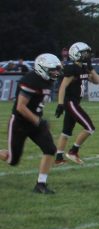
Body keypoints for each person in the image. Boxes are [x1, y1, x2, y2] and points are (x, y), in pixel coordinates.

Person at [0, 54, 62, 194]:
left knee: (50, 149)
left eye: (57, 69)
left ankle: (40, 185)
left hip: (36, 123)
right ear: (42, 68)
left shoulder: (47, 80)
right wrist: (38, 121)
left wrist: (38, 122)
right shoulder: (31, 80)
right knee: (12, 160)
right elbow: (21, 107)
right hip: (20, 123)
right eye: (53, 70)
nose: (56, 73)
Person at [55, 42, 99, 166]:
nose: (87, 55)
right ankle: (73, 151)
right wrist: (60, 104)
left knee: (66, 131)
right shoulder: (72, 68)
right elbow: (63, 87)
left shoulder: (83, 67)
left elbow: (97, 81)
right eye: (85, 53)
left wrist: (90, 68)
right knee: (90, 127)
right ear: (76, 54)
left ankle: (59, 158)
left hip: (74, 102)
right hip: (71, 103)